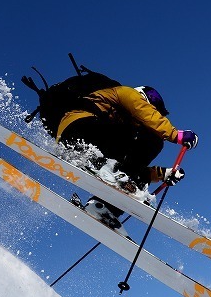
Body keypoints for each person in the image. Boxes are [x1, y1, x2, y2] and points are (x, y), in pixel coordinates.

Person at [55, 83, 198, 230]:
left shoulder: (122, 123)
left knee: (133, 181)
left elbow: (130, 166)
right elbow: (144, 111)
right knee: (153, 140)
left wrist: (162, 174)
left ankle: (102, 208)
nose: (155, 108)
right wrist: (175, 134)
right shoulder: (127, 93)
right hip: (82, 127)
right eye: (154, 102)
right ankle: (107, 173)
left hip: (77, 143)